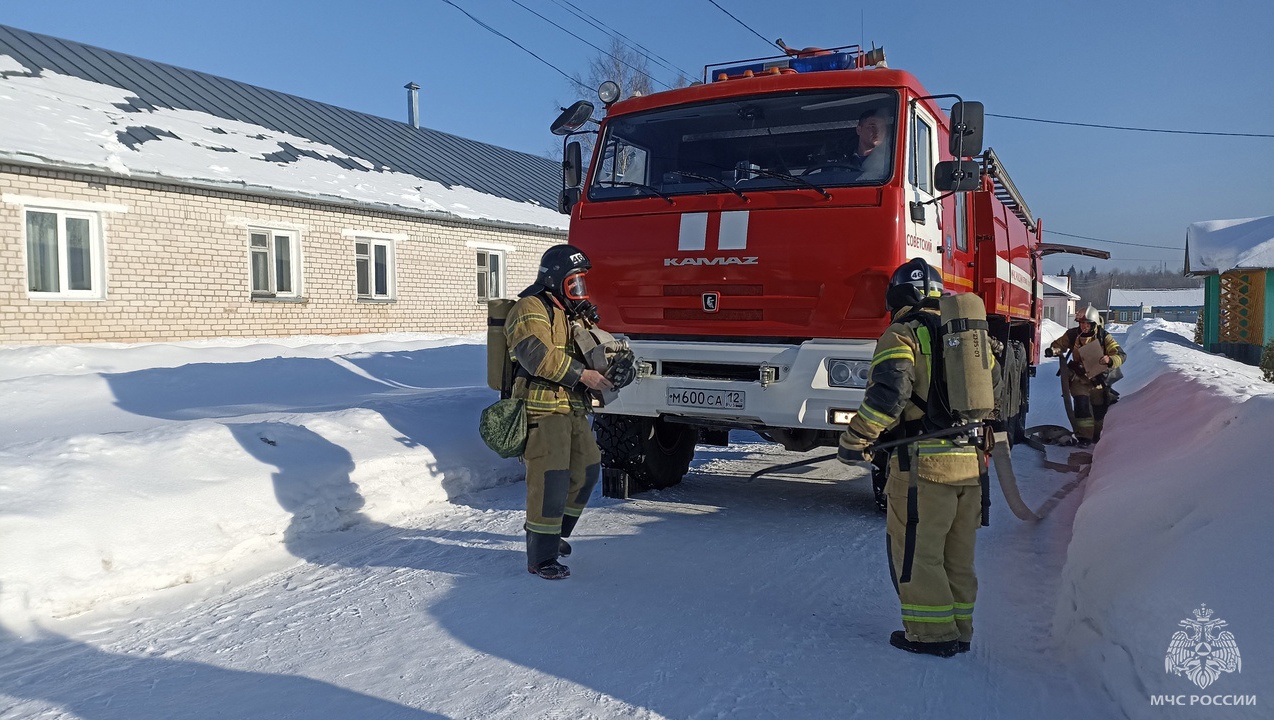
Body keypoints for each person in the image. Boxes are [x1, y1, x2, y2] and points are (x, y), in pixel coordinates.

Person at [836, 257, 995, 658]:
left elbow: (888, 398)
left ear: (899, 296)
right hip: (971, 466)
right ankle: (961, 631)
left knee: (918, 554)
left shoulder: (902, 334)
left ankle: (930, 635)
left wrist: (856, 439)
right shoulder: (970, 336)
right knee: (957, 557)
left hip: (923, 468)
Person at [505, 244, 613, 580]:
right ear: (554, 280)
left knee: (588, 469)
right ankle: (541, 556)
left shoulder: (568, 313)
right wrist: (583, 375)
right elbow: (536, 355)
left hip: (571, 406)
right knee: (549, 481)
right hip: (542, 409)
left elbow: (590, 349)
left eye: (581, 283)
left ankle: (553, 534)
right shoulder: (530, 308)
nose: (578, 290)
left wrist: (615, 363)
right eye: (573, 283)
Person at [1045, 305, 1125, 447]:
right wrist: (1054, 350)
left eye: (1087, 324)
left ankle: (1098, 436)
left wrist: (1110, 360)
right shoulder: (1072, 335)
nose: (1084, 327)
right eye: (1082, 323)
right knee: (1081, 406)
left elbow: (1120, 354)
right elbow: (1059, 345)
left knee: (1099, 409)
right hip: (1079, 379)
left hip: (1098, 380)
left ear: (1094, 324)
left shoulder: (1103, 336)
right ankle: (1084, 437)